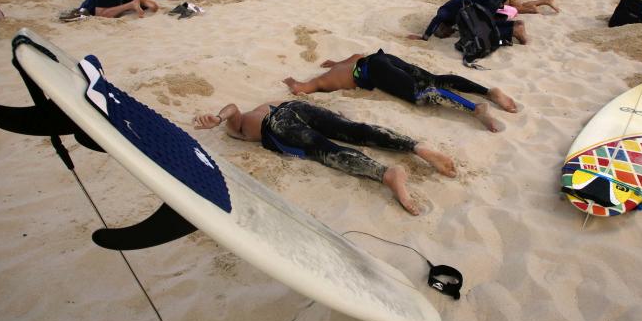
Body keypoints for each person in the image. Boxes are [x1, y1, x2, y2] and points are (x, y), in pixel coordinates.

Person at [193, 100, 457, 215]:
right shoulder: (250, 117)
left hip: (279, 123)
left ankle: (386, 173)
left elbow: (232, 110)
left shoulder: (239, 128)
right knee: (354, 130)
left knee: (324, 150)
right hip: (293, 107)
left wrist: (218, 118)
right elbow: (234, 109)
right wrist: (217, 118)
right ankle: (415, 147)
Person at [282, 50, 518, 132]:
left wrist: (294, 82)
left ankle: (475, 108)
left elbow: (302, 89)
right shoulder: (343, 65)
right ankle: (488, 91)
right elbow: (355, 57)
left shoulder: (326, 81)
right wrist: (335, 62)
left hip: (375, 70)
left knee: (419, 92)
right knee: (434, 79)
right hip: (381, 57)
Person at [408, 0, 529, 43]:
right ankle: (513, 27)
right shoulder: (453, 18)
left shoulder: (445, 12)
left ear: (441, 27)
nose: (447, 34)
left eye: (443, 33)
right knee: (484, 24)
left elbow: (437, 18)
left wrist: (424, 37)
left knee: (481, 29)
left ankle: (514, 29)